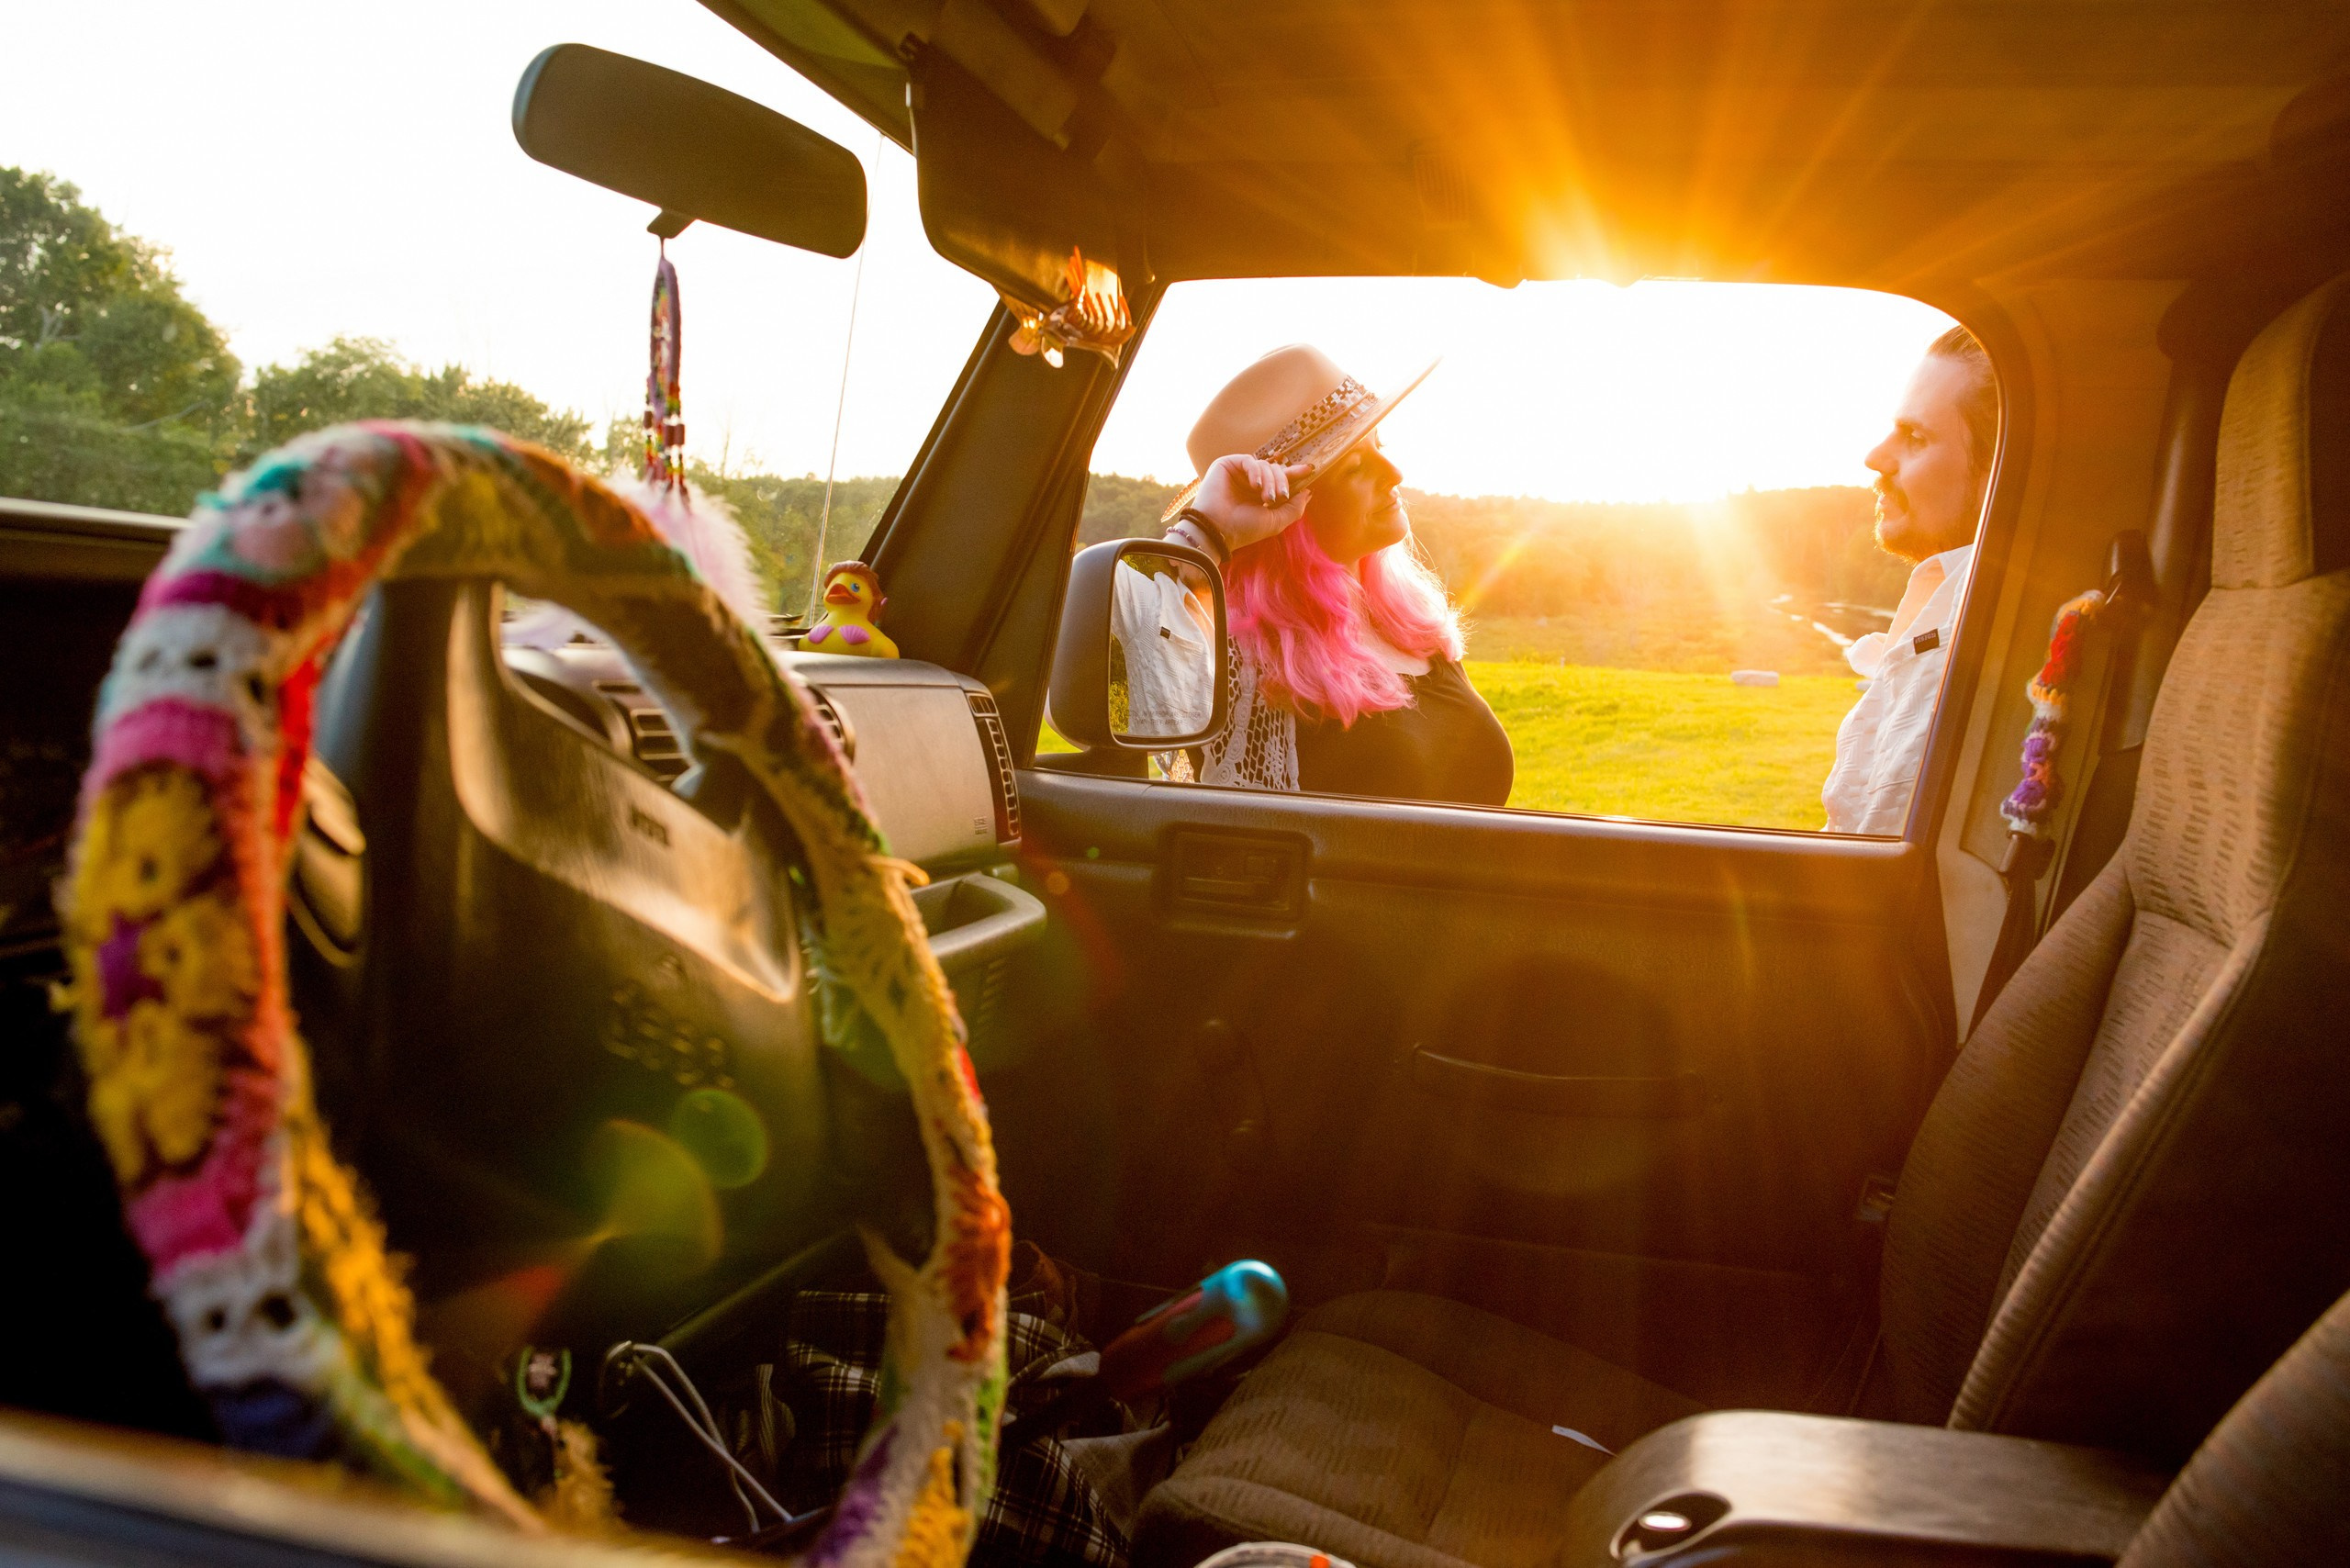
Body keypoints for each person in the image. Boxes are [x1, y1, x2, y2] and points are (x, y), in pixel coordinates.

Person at [1135, 344, 1513, 806]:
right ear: (1286, 509)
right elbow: (1109, 680)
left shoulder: (1412, 627)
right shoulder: (1231, 660)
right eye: (1354, 466)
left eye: (1380, 445)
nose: (1394, 472)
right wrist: (1208, 529)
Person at [1822, 325, 1998, 834]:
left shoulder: (1966, 652)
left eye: (1915, 438)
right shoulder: (1945, 612)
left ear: (1995, 472)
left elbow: (1874, 867)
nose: (1875, 457)